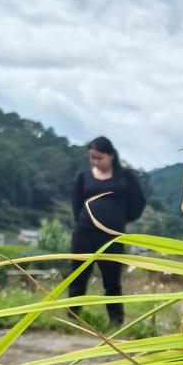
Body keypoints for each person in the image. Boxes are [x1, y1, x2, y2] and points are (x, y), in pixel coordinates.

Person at [68, 136, 146, 326]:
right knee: (78, 277)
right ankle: (73, 318)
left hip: (112, 237)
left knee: (112, 281)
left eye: (99, 157)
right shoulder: (83, 177)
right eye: (92, 158)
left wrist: (120, 220)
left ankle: (116, 322)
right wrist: (84, 221)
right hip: (84, 235)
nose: (95, 161)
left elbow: (138, 203)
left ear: (110, 155)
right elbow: (76, 205)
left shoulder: (125, 177)